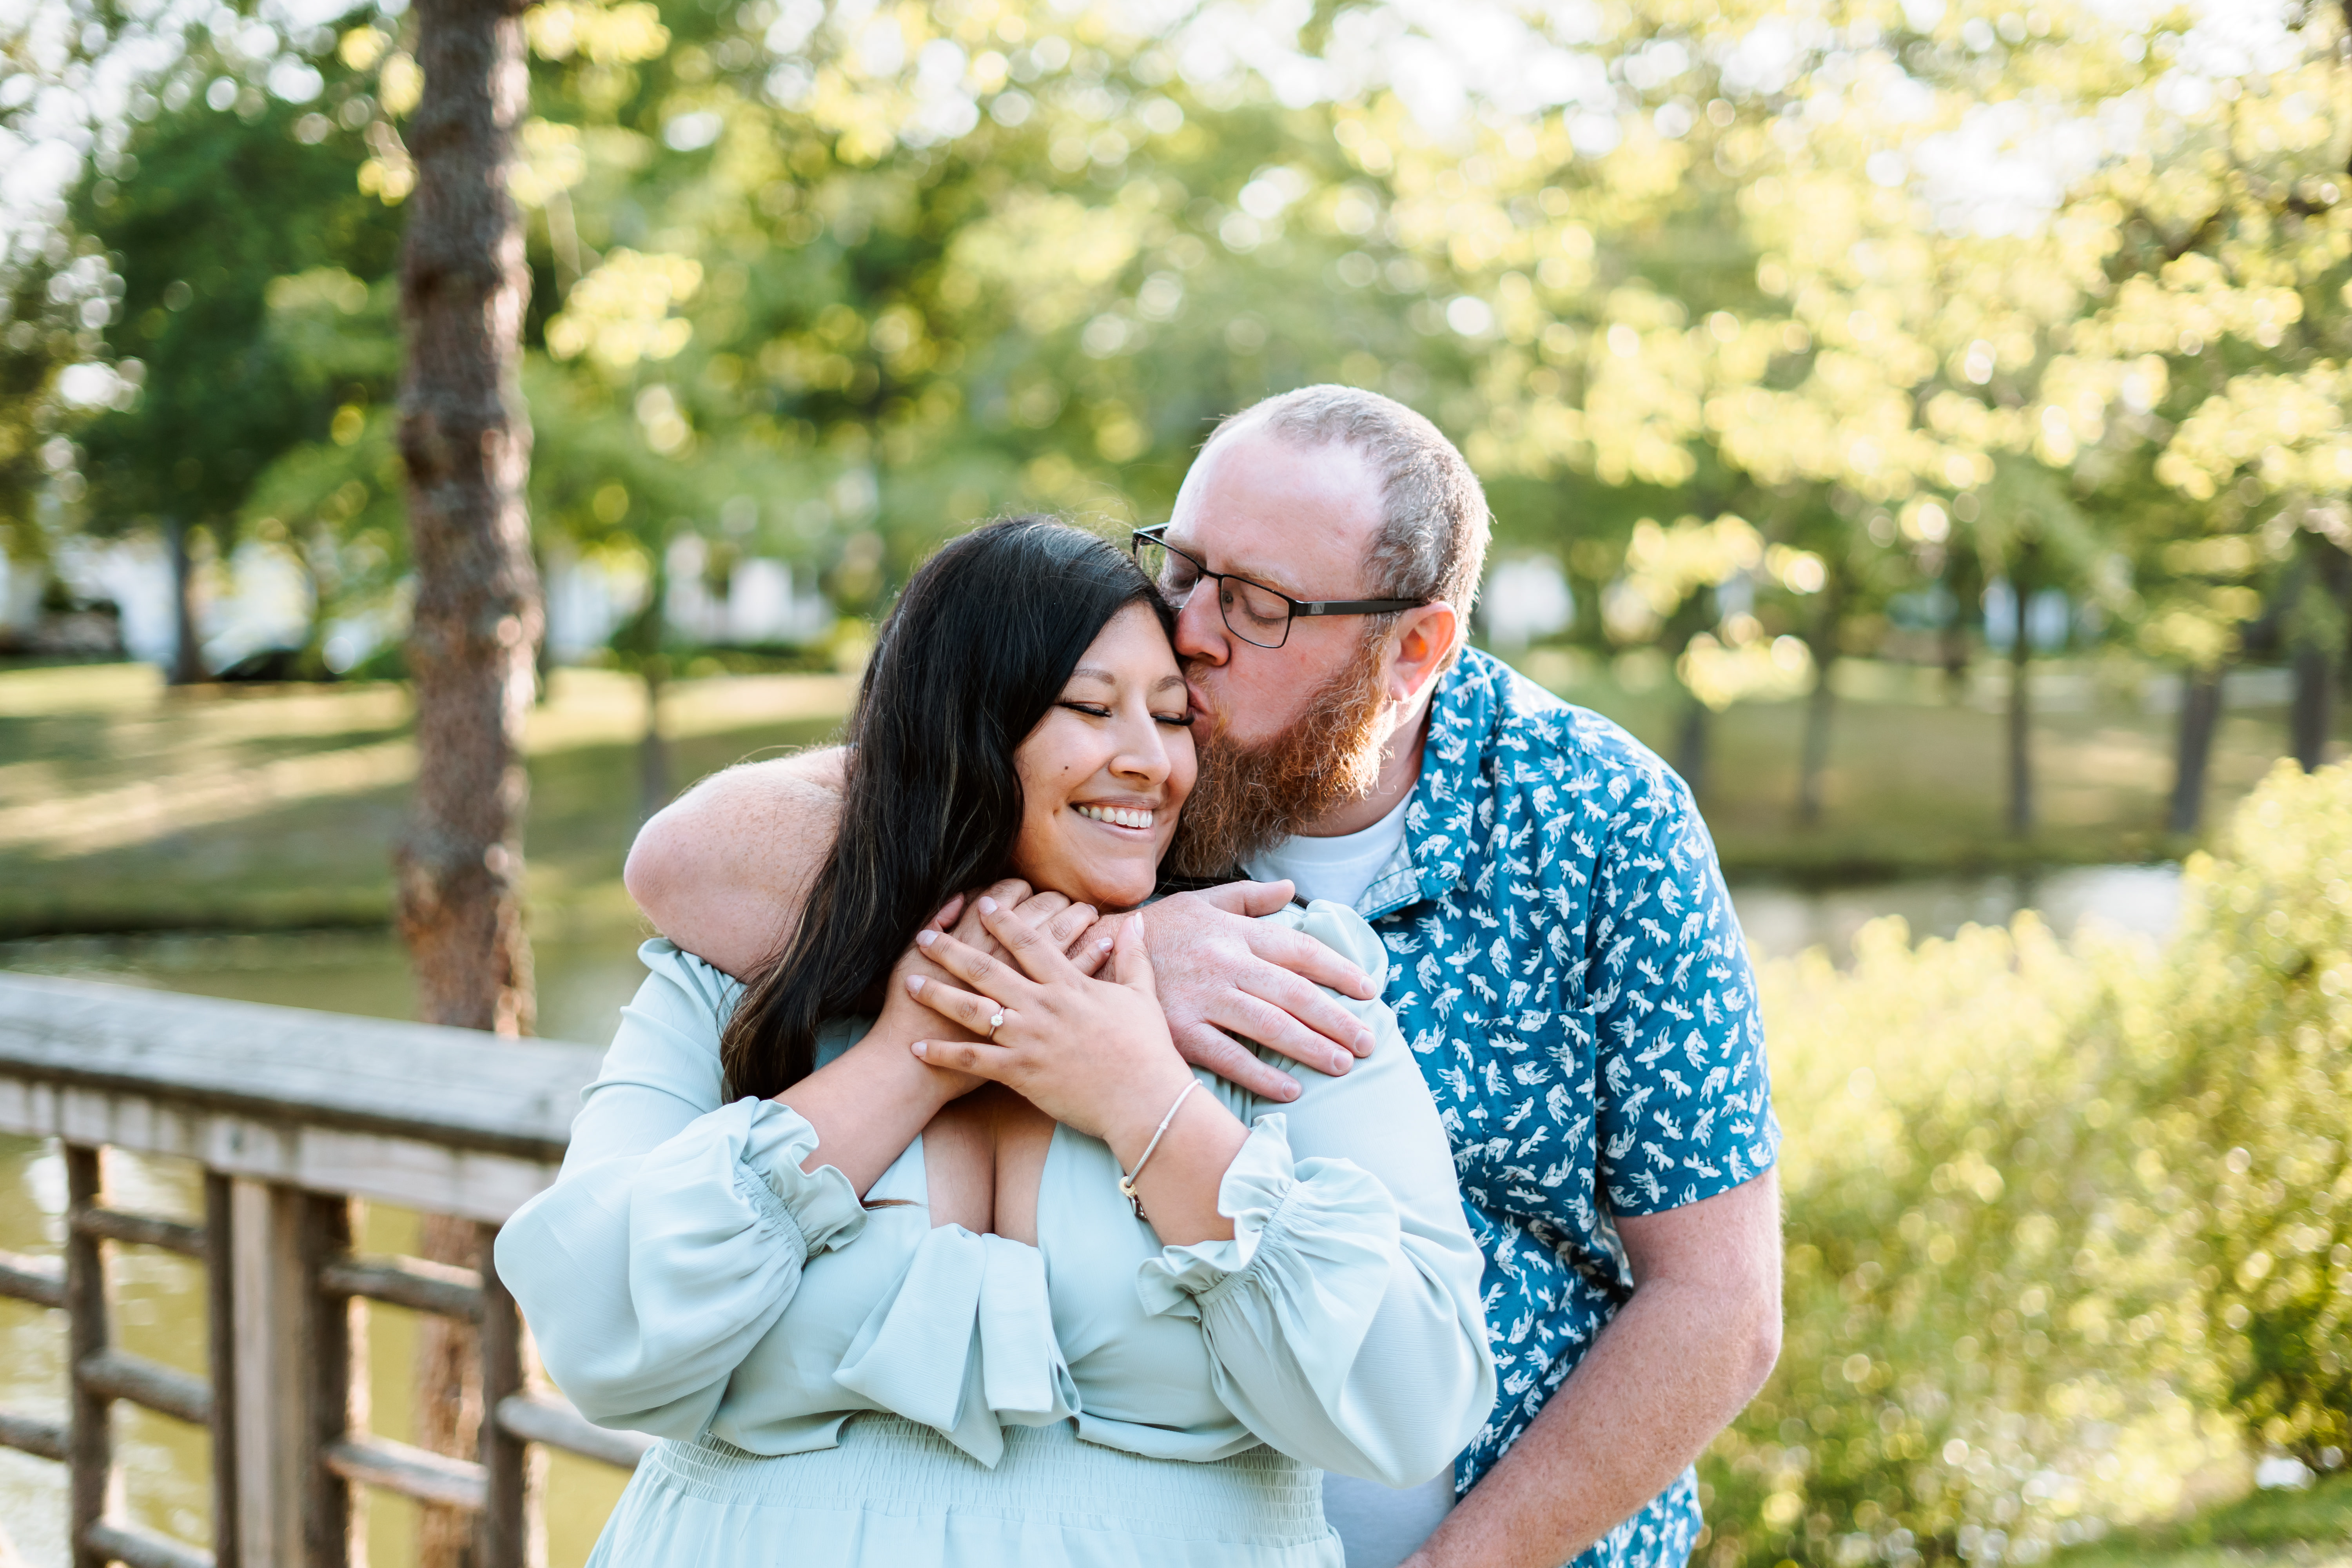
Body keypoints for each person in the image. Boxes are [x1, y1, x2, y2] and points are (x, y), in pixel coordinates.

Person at [627, 386, 1786, 1568]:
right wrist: (1127, 956)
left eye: (1261, 605)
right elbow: (688, 867)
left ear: (1416, 649)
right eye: (1181, 568)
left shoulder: (1599, 823)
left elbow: (1718, 1306)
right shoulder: (1105, 764)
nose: (1191, 630)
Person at [498, 518, 1495, 1567]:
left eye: (1170, 718)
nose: (1149, 763)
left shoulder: (1268, 976)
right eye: (1091, 709)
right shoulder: (734, 971)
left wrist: (1142, 1100)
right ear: (964, 726)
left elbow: (1416, 1401)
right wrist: (911, 1048)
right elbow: (598, 1342)